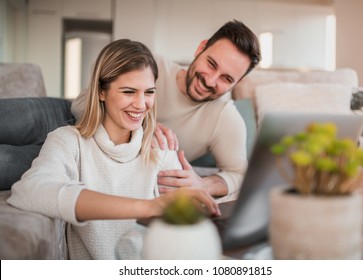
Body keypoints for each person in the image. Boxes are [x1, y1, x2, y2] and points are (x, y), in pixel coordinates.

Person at [7, 39, 220, 260]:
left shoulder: (161, 151)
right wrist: (147, 207)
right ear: (101, 92)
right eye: (129, 92)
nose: (141, 104)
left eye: (149, 92)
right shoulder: (69, 142)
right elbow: (30, 191)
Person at [72, 20, 261, 198]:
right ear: (200, 48)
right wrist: (141, 125)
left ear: (238, 82)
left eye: (226, 79)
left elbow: (239, 174)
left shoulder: (225, 118)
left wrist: (204, 185)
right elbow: (80, 104)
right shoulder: (151, 67)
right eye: (211, 64)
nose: (210, 80)